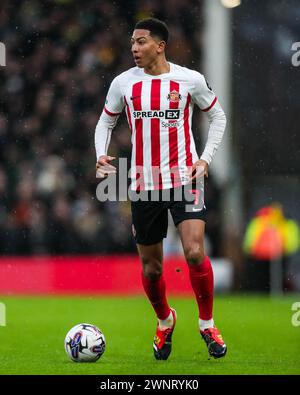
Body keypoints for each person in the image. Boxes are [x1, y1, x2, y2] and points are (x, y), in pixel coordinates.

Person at [95, 18, 227, 360]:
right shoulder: (124, 83)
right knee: (152, 269)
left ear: (160, 45)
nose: (134, 48)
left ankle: (207, 323)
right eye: (132, 43)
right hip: (144, 184)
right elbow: (106, 120)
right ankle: (165, 319)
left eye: (140, 42)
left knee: (194, 251)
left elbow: (218, 117)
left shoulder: (189, 80)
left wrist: (206, 159)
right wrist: (101, 154)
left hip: (185, 178)